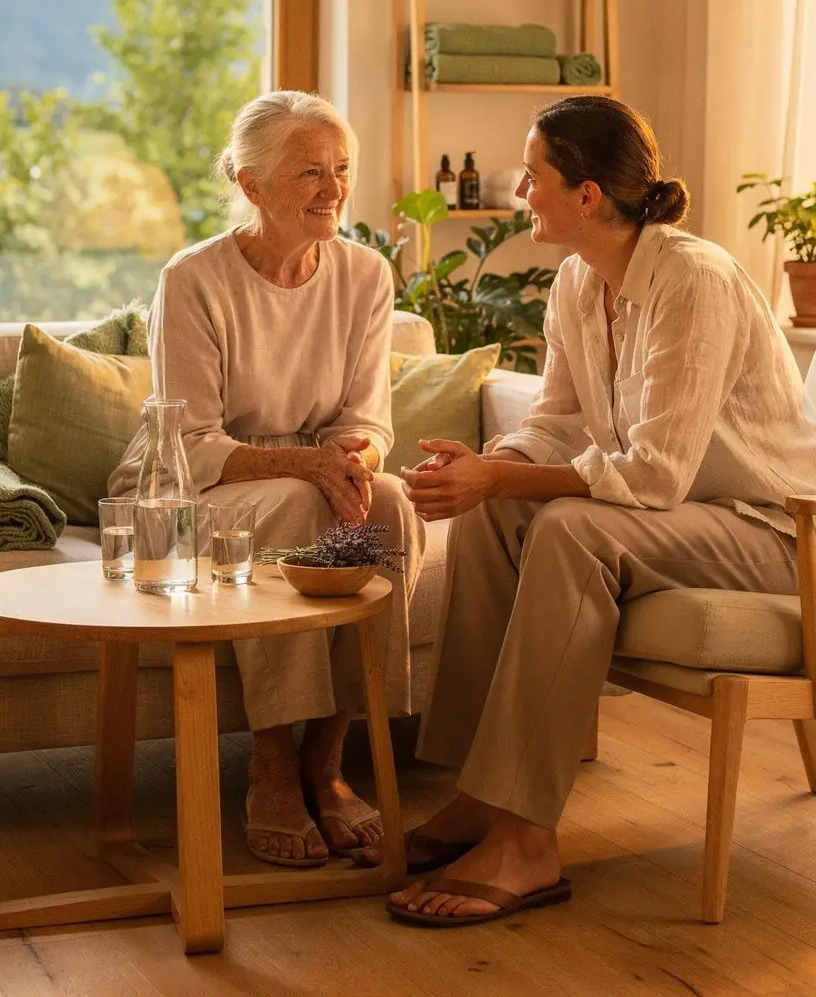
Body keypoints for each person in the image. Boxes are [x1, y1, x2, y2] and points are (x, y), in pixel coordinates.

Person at [368, 94, 816, 928]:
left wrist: (502, 482)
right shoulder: (579, 280)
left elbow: (653, 474)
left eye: (533, 178)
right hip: (683, 520)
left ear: (587, 195)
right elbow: (558, 421)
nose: (519, 195)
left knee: (572, 528)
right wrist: (488, 468)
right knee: (494, 513)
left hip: (774, 530)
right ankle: (480, 795)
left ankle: (528, 840)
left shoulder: (694, 280)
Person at [110, 91, 425, 869]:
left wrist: (350, 464)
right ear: (251, 186)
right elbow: (191, 440)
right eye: (309, 172)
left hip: (315, 472)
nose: (333, 189)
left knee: (389, 501)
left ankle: (330, 752)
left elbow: (369, 420)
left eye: (341, 169)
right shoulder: (194, 278)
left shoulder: (365, 275)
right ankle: (274, 761)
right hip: (196, 486)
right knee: (291, 500)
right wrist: (308, 466)